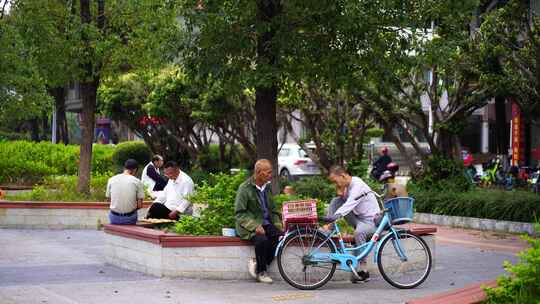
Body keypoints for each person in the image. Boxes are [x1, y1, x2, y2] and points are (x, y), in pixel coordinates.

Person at [323, 165, 381, 283]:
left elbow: (350, 203)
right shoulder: (347, 185)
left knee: (359, 232)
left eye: (335, 181)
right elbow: (341, 200)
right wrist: (339, 189)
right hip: (358, 218)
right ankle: (330, 231)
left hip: (370, 221)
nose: (335, 184)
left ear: (343, 176)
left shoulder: (357, 185)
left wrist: (335, 216)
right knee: (336, 201)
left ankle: (363, 269)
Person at [235, 159, 283, 284]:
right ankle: (261, 272)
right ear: (259, 173)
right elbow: (240, 213)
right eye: (268, 172)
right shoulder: (244, 188)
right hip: (248, 226)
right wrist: (255, 225)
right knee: (262, 240)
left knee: (278, 236)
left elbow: (273, 209)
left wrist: (278, 225)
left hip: (266, 223)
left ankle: (257, 263)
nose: (270, 175)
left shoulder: (267, 188)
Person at [106, 159, 145, 225]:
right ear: (135, 170)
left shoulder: (111, 179)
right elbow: (140, 205)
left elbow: (109, 200)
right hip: (129, 218)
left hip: (114, 218)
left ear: (124, 168)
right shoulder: (137, 181)